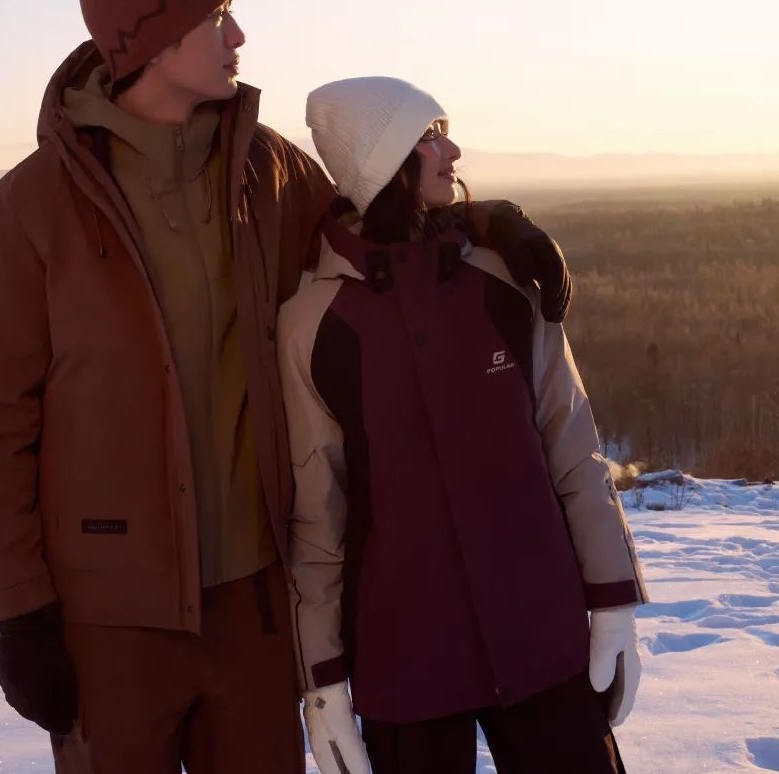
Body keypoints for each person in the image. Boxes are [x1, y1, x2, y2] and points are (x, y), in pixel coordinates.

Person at [0, 0, 577, 774]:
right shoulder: (28, 211)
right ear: (149, 37)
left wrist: (481, 220)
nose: (239, 37)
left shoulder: (271, 172)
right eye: (217, 17)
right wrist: (22, 613)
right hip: (108, 621)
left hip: (254, 607)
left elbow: (378, 241)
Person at [278, 76, 648, 774]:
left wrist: (611, 598)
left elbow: (572, 446)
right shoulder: (311, 325)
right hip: (404, 655)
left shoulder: (505, 276)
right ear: (377, 161)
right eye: (427, 135)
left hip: (539, 633)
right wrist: (321, 679)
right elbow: (316, 517)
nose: (451, 148)